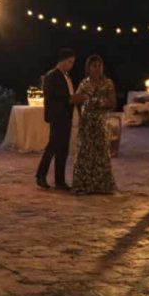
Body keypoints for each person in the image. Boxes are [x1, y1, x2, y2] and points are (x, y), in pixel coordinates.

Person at [36, 48, 85, 190]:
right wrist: (70, 99)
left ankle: (60, 180)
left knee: (63, 148)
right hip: (57, 116)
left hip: (66, 115)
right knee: (53, 146)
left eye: (73, 62)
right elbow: (51, 97)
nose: (71, 65)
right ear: (62, 61)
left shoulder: (66, 76)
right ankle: (40, 175)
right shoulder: (52, 76)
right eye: (70, 62)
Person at [71, 55, 117, 195]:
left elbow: (113, 102)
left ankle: (102, 186)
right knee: (85, 152)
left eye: (99, 66)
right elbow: (75, 99)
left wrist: (101, 102)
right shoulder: (84, 83)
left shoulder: (108, 83)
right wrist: (82, 99)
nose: (97, 68)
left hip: (99, 121)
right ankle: (83, 185)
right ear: (88, 68)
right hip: (86, 121)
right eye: (94, 66)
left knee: (101, 151)